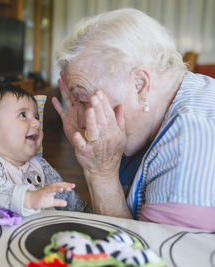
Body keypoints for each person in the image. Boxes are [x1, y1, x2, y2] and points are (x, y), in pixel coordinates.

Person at [52, 8, 215, 230]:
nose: (81, 119)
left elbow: (152, 258)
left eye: (84, 100)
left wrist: (101, 173)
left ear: (140, 84)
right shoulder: (178, 97)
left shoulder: (190, 138)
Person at [0, 84, 89, 217]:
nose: (37, 123)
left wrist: (87, 215)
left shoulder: (41, 166)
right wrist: (30, 198)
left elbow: (65, 198)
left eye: (36, 116)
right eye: (22, 115)